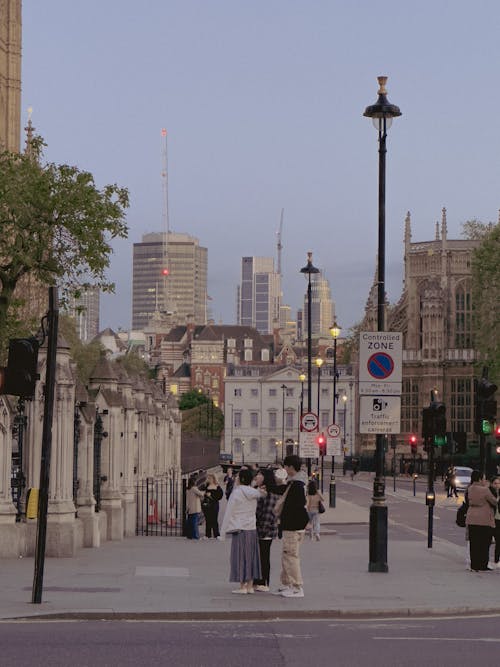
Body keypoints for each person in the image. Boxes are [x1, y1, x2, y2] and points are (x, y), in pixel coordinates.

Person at [220, 467, 264, 594]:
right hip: (251, 528)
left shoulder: (236, 493)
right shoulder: (255, 493)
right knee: (251, 557)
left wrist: (222, 533)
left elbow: (229, 513)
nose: (236, 478)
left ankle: (242, 586)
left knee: (240, 557)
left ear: (241, 479)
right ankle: (250, 585)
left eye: (238, 477)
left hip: (239, 528)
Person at [274, 455, 309, 598]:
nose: (285, 469)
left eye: (286, 466)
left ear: (291, 467)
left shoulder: (297, 485)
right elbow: (283, 490)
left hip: (293, 526)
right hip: (293, 525)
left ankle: (296, 587)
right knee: (287, 555)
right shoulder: (295, 483)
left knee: (291, 556)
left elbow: (298, 506)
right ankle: (287, 584)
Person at [252, 468, 279, 592]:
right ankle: (259, 580)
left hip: (265, 530)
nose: (256, 477)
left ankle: (264, 582)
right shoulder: (261, 491)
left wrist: (261, 531)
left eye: (259, 475)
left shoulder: (268, 493)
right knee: (260, 556)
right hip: (263, 528)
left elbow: (268, 513)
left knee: (263, 556)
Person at [465, 469, 497, 571]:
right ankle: (482, 564)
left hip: (472, 518)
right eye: (483, 478)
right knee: (484, 543)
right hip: (484, 519)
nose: (484, 480)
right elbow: (494, 501)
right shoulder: (485, 490)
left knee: (474, 543)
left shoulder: (470, 488)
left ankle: (474, 565)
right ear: (479, 479)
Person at [201, 473, 223, 538]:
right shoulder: (206, 486)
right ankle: (208, 534)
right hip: (207, 505)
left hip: (214, 505)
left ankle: (216, 534)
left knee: (214, 519)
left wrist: (211, 496)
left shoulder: (217, 486)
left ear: (214, 479)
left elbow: (220, 496)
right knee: (208, 519)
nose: (209, 479)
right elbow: (202, 493)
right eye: (208, 478)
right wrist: (205, 494)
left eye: (210, 478)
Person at [489, 476, 500, 568]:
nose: (497, 485)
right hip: (492, 519)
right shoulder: (490, 493)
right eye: (495, 483)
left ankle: (497, 560)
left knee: (499, 541)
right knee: (490, 540)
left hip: (499, 519)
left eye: (499, 483)